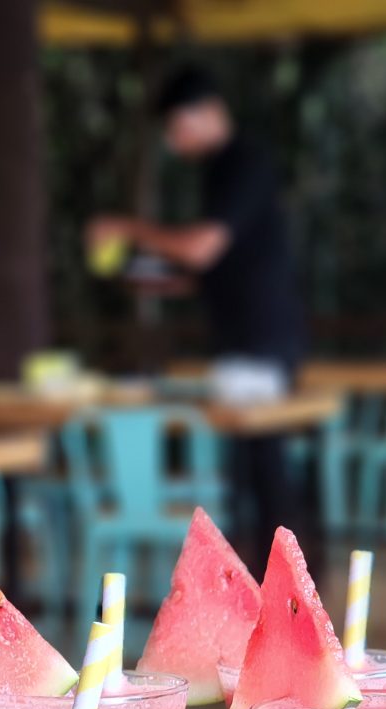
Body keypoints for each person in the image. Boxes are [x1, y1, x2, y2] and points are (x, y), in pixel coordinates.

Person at [87, 64, 307, 575]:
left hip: (262, 346)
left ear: (208, 112)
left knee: (263, 477)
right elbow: (199, 271)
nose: (172, 139)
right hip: (242, 345)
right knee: (248, 477)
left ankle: (288, 598)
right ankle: (258, 594)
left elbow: (202, 249)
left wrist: (128, 229)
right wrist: (134, 270)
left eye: (176, 125)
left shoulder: (243, 162)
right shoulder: (218, 171)